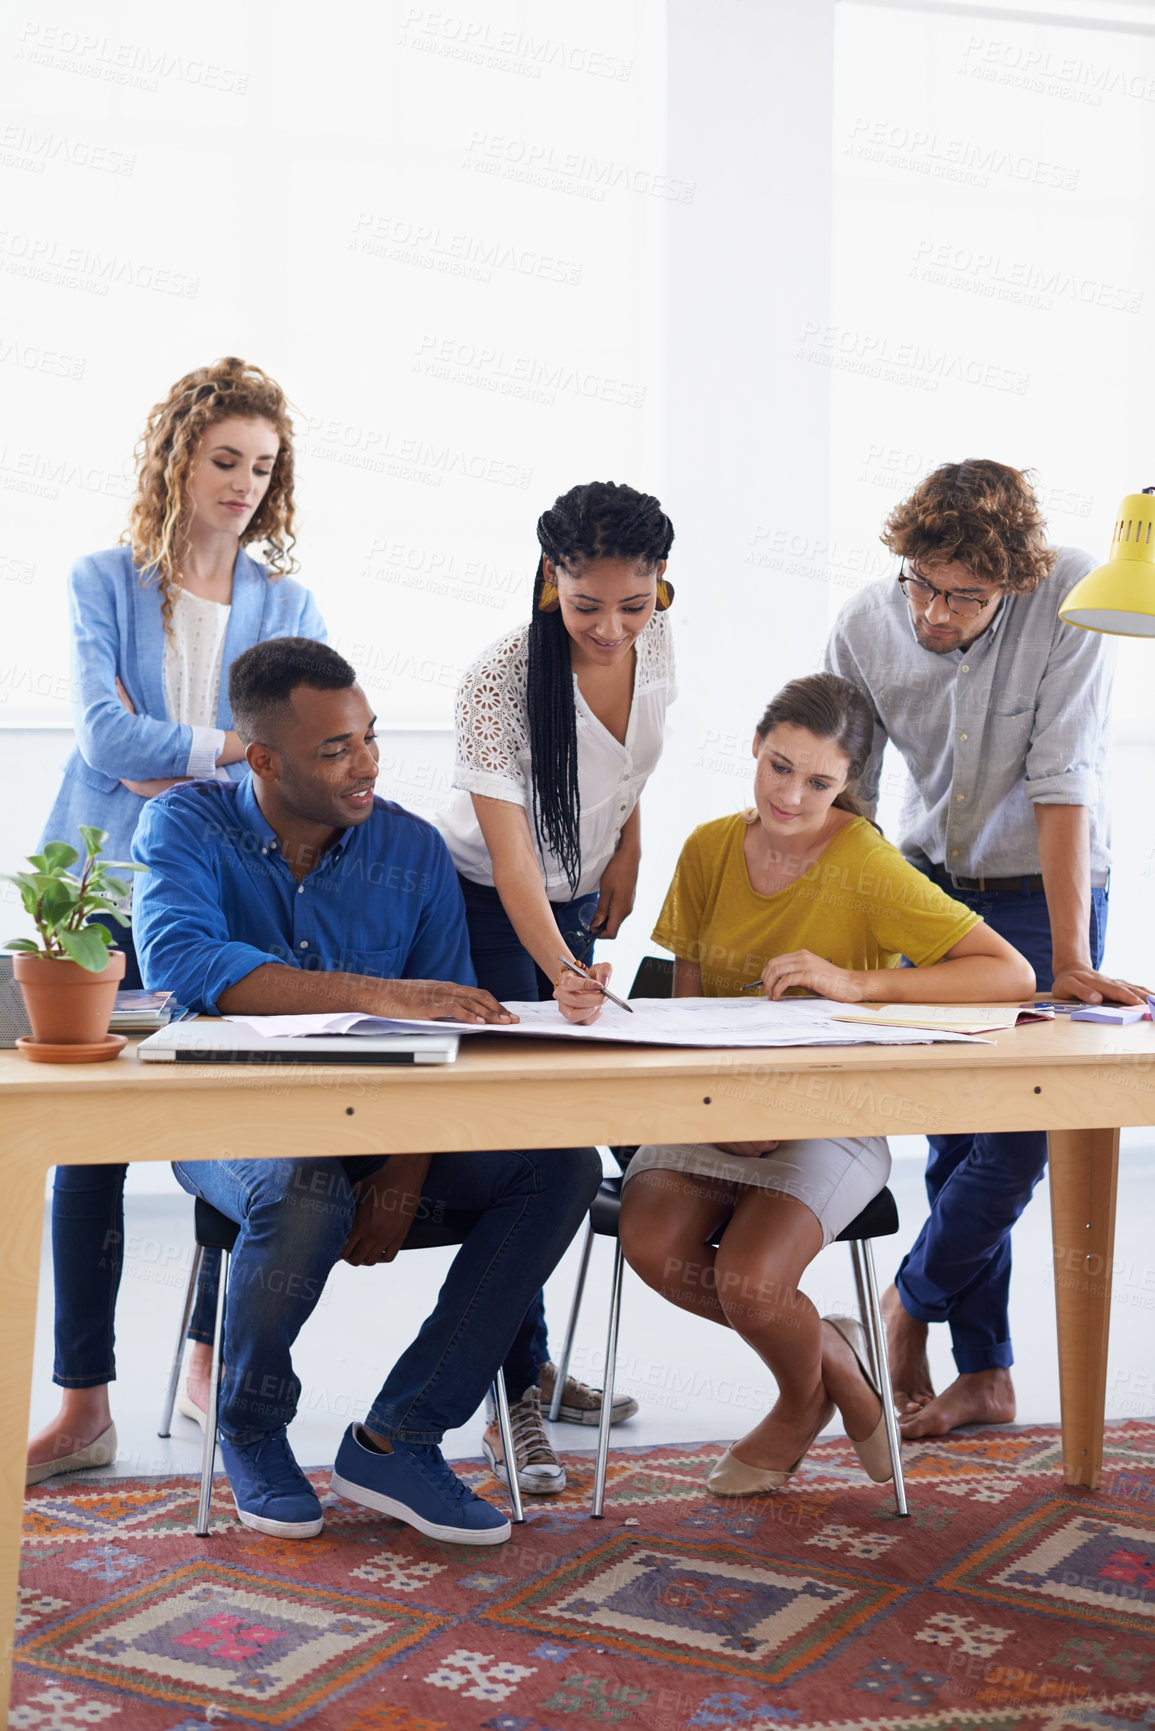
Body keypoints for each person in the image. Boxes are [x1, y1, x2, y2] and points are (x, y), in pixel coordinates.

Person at [131, 637, 603, 1544]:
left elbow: (445, 1030)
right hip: (235, 1134)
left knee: (559, 1164)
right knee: (302, 1184)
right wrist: (379, 992)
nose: (367, 764)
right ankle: (252, 1425)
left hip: (385, 1137)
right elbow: (187, 961)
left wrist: (405, 1166)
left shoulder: (413, 851)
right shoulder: (184, 826)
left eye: (370, 737)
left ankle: (401, 1432)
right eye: (336, 748)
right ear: (263, 759)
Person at [618, 673, 1034, 1494]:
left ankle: (795, 1400)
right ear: (755, 746)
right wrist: (718, 1106)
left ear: (848, 783)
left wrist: (856, 981)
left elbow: (1007, 972)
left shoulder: (863, 861)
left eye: (818, 781)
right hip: (717, 1102)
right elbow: (689, 1001)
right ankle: (840, 1357)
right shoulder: (707, 847)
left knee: (748, 1278)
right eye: (779, 767)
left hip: (828, 1114)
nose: (791, 794)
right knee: (652, 1245)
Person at [27, 358, 326, 1487]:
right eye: (225, 460)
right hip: (97, 883)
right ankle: (84, 1403)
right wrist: (226, 752)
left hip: (218, 887)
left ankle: (205, 1365)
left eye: (263, 466)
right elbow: (107, 739)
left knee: (227, 1113)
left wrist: (209, 765)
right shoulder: (106, 580)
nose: (244, 482)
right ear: (179, 458)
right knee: (88, 1146)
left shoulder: (287, 606)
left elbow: (293, 760)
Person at [825, 459, 1150, 1438]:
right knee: (956, 1136)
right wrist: (862, 946)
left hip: (1041, 886)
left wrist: (1068, 964)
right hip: (922, 889)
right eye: (922, 582)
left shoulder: (1075, 595)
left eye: (965, 597)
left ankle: (906, 1301)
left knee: (1017, 1137)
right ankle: (990, 1376)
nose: (935, 613)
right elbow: (853, 800)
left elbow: (1063, 781)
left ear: (1011, 581)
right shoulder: (862, 624)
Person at [435, 480, 676, 1495]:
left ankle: (527, 1369)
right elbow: (514, 861)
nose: (614, 629)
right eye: (587, 607)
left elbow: (632, 765)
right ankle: (515, 1397)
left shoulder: (658, 635)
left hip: (577, 892)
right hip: (488, 906)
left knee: (571, 1124)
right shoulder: (495, 682)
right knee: (528, 1144)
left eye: (636, 603)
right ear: (551, 580)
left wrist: (628, 848)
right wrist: (562, 967)